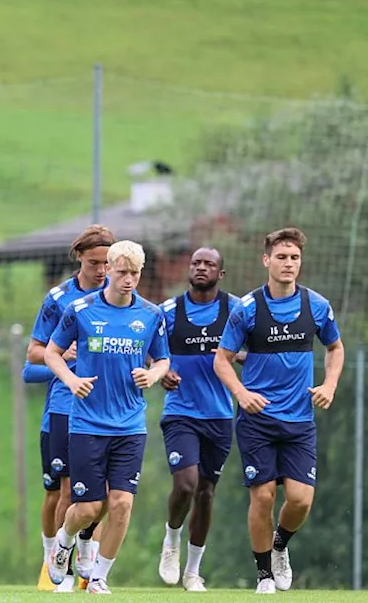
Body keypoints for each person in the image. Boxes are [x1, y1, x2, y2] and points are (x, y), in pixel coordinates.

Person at [213, 227, 343, 594]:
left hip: (300, 419)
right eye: (281, 257)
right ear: (266, 260)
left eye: (295, 258)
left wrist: (329, 385)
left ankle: (280, 545)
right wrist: (241, 393)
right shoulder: (248, 308)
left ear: (300, 263)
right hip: (258, 420)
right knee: (264, 494)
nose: (288, 264)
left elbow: (335, 348)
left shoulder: (316, 305)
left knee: (300, 500)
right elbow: (222, 360)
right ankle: (264, 575)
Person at [45, 240, 170, 595]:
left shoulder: (150, 315)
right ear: (108, 271)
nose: (128, 279)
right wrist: (71, 380)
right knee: (88, 507)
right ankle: (64, 543)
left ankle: (98, 576)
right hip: (87, 424)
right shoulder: (81, 310)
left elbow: (162, 359)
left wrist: (154, 375)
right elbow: (52, 353)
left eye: (135, 273)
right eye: (122, 272)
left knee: (122, 503)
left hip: (130, 425)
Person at [25, 224, 114, 591]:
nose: (102, 270)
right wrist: (64, 355)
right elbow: (33, 353)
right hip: (65, 407)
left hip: (110, 409)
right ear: (79, 257)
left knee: (107, 494)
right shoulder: (59, 298)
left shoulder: (122, 298)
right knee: (64, 492)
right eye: (95, 262)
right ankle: (55, 561)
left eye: (108, 263)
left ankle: (86, 556)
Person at [156, 247, 240, 592]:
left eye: (209, 264)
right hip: (181, 413)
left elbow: (254, 345)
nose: (201, 267)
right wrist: (159, 372)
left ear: (221, 273)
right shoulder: (167, 312)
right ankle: (171, 537)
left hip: (219, 415)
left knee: (205, 493)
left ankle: (192, 572)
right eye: (196, 263)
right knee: (186, 484)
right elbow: (149, 349)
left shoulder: (236, 310)